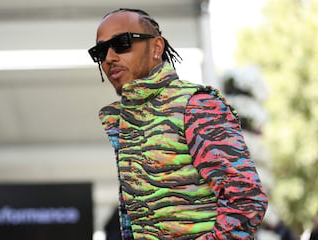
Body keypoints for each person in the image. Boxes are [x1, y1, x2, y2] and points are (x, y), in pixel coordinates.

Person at [88, 8, 268, 239]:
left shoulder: (196, 104)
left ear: (156, 47)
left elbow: (246, 200)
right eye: (100, 51)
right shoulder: (127, 121)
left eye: (122, 43)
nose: (110, 57)